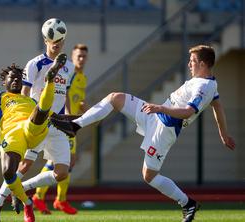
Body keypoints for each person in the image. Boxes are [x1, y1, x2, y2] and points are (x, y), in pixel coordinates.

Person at [50, 45, 236, 222]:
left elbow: (188, 111)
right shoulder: (210, 83)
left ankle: (188, 203)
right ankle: (75, 125)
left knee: (149, 176)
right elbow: (218, 106)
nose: (189, 64)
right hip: (155, 116)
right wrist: (224, 135)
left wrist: (160, 107)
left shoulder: (204, 86)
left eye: (193, 61)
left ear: (203, 64)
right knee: (116, 97)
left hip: (164, 130)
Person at [0, 53, 67, 222]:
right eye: (12, 78)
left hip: (32, 128)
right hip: (11, 134)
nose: (16, 80)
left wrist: (78, 120)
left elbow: (55, 118)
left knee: (41, 111)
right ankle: (27, 202)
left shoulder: (29, 100)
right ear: (4, 82)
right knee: (8, 172)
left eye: (19, 78)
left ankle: (49, 80)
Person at [0, 18, 76, 217]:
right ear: (45, 39)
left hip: (58, 124)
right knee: (24, 165)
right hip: (37, 122)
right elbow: (24, 94)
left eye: (61, 40)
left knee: (62, 172)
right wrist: (26, 120)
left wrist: (69, 118)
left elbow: (66, 94)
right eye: (54, 39)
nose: (58, 43)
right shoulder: (35, 64)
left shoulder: (69, 67)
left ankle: (21, 188)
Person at [33, 44, 89, 214]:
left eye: (84, 56)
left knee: (63, 161)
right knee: (64, 160)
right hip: (63, 122)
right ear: (72, 56)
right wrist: (67, 118)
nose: (81, 59)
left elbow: (73, 98)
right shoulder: (68, 72)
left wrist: (81, 107)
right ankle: (48, 198)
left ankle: (53, 198)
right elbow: (63, 95)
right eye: (78, 56)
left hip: (70, 121)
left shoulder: (82, 77)